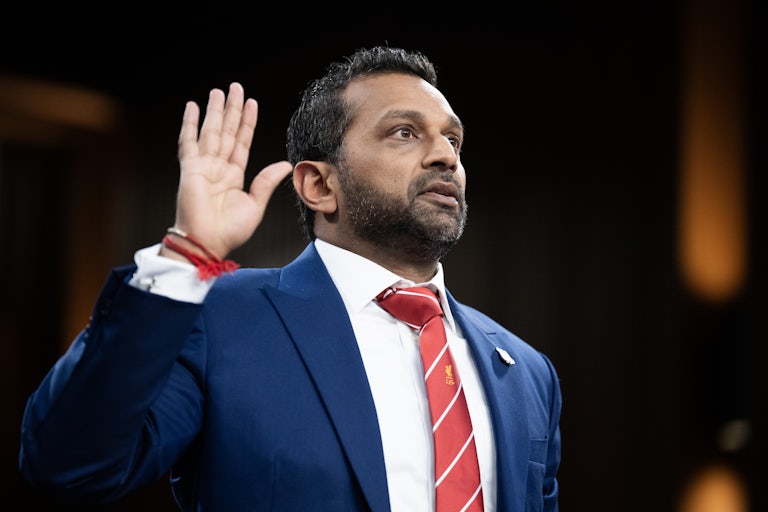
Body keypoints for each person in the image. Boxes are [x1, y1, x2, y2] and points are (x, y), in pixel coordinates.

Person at [19, 46, 562, 511]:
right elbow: (70, 465)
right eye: (404, 132)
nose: (445, 156)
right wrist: (187, 255)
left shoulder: (528, 372)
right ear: (320, 186)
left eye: (454, 141)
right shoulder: (218, 317)